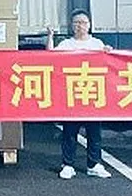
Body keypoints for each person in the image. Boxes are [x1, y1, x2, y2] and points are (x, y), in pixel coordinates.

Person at [47, 9, 112, 179]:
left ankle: (94, 164)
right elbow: (49, 57)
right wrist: (50, 37)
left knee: (94, 132)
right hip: (72, 94)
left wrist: (108, 51)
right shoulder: (66, 44)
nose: (80, 26)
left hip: (92, 93)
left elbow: (109, 63)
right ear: (71, 26)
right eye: (76, 22)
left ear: (89, 25)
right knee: (70, 132)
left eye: (83, 22)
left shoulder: (97, 44)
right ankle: (68, 164)